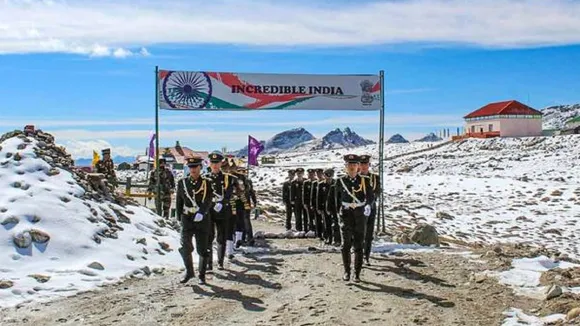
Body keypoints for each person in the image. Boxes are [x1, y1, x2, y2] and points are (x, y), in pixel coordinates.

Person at [175, 156, 213, 285]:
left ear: (200, 167)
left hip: (202, 219)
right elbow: (179, 200)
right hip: (187, 217)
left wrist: (202, 212)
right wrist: (179, 217)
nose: (193, 169)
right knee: (185, 246)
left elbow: (208, 199)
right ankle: (189, 271)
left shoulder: (206, 182)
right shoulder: (182, 182)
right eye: (190, 167)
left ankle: (202, 275)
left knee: (202, 248)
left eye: (195, 167)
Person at [337, 154, 374, 283]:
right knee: (345, 245)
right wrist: (338, 212)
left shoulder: (364, 180)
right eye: (349, 165)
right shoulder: (340, 181)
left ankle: (357, 274)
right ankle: (347, 271)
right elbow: (336, 199)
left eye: (354, 165)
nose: (352, 167)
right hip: (346, 215)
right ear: (346, 167)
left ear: (358, 166)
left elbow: (370, 196)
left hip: (359, 215)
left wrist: (368, 205)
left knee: (359, 245)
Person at [205, 152, 236, 270]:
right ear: (209, 163)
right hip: (209, 210)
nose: (215, 165)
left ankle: (220, 261)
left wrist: (222, 203)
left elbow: (228, 193)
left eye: (217, 163)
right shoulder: (205, 177)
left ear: (221, 163)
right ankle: (208, 263)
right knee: (209, 236)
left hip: (223, 211)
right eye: (212, 163)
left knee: (221, 237)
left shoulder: (227, 178)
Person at [359, 154, 381, 266]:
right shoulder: (355, 178)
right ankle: (358, 251)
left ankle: (366, 256)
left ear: (369, 165)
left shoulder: (374, 178)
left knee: (368, 233)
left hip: (370, 208)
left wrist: (370, 202)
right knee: (358, 232)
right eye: (361, 164)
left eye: (365, 164)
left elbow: (377, 191)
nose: (363, 166)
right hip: (357, 209)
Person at [324, 168, 341, 246]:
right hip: (334, 209)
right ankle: (333, 239)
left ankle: (340, 240)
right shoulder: (333, 187)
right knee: (333, 225)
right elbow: (329, 199)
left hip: (343, 209)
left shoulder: (344, 187)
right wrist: (328, 208)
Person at [302, 169, 317, 234]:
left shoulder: (317, 182)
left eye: (312, 174)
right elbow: (304, 194)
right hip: (308, 203)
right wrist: (304, 203)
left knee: (316, 217)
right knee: (309, 217)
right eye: (309, 174)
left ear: (314, 174)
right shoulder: (306, 183)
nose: (310, 176)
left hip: (315, 203)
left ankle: (317, 229)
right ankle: (311, 229)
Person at [314, 168, 326, 241]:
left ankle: (325, 234)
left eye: (320, 173)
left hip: (324, 204)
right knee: (318, 220)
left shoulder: (325, 182)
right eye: (318, 174)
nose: (319, 175)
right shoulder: (315, 183)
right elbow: (313, 195)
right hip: (317, 204)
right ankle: (319, 234)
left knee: (325, 221)